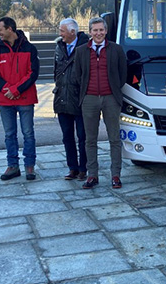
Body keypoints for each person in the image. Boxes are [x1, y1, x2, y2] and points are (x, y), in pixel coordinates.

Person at [73, 16, 127, 189]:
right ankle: (92, 175)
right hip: (89, 99)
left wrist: (112, 89)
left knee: (114, 138)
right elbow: (77, 75)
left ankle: (116, 175)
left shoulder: (116, 50)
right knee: (90, 140)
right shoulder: (81, 51)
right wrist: (87, 93)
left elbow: (122, 74)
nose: (98, 33)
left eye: (101, 30)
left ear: (106, 31)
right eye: (95, 30)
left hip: (111, 98)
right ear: (90, 32)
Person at [0, 17, 39, 181]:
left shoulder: (30, 48)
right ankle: (13, 166)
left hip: (25, 98)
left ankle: (29, 166)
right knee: (9, 135)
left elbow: (33, 73)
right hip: (5, 100)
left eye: (0, 29)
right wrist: (7, 89)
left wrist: (16, 89)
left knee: (28, 134)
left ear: (10, 29)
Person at [54, 18, 89, 180]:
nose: (60, 34)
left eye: (62, 31)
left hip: (80, 99)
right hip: (62, 98)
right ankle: (72, 168)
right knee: (67, 136)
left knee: (83, 137)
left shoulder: (86, 47)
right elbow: (57, 71)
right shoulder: (59, 47)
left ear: (72, 32)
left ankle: (84, 168)